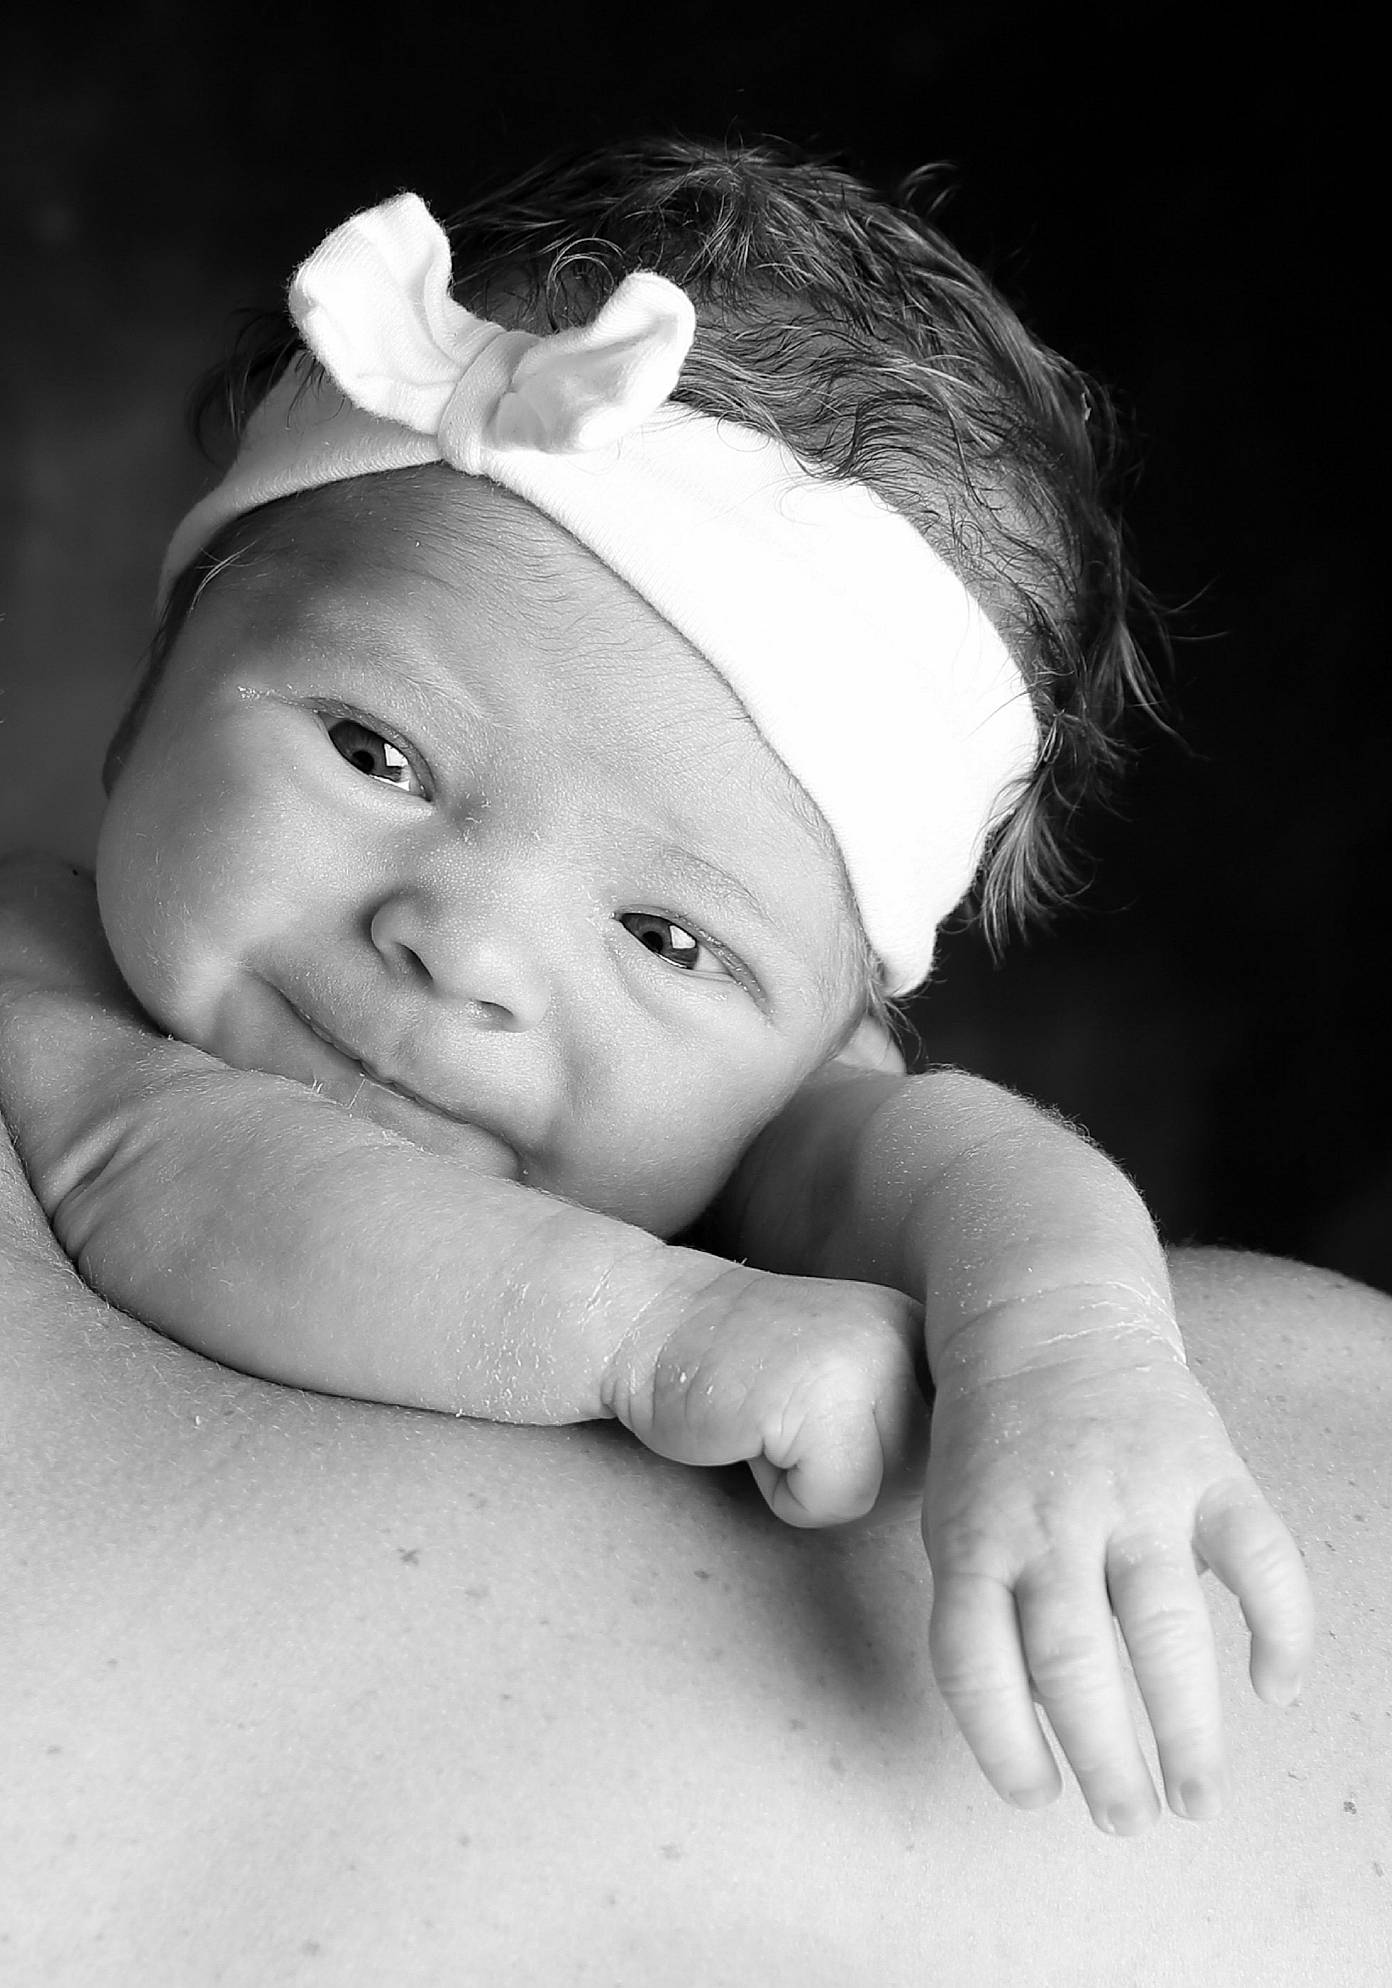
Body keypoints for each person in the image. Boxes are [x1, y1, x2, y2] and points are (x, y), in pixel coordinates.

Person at [0, 140, 1312, 1848]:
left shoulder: (765, 1113)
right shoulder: (46, 968)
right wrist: (657, 1331)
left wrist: (1070, 1350)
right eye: (374, 752)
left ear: (822, 1034)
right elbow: (173, 1184)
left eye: (666, 940)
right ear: (148, 699)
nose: (459, 947)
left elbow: (958, 1158)